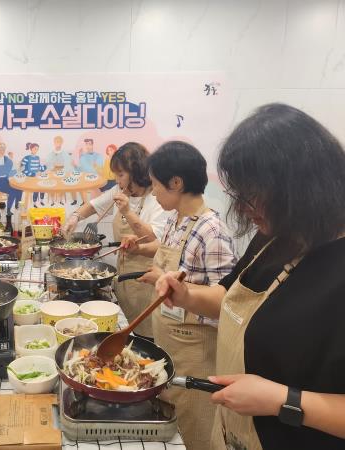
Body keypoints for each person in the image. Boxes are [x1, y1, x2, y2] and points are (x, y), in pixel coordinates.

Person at [155, 104, 345, 450]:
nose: (242, 209)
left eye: (252, 195)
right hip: (234, 436)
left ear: (301, 187)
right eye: (238, 195)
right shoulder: (277, 235)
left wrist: (282, 399)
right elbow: (229, 299)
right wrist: (186, 296)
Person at [125, 141, 236, 450]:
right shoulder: (177, 220)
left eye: (157, 185)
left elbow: (226, 303)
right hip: (169, 340)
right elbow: (167, 264)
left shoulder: (211, 230)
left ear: (176, 183)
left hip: (196, 352)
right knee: (173, 429)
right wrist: (157, 276)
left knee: (196, 432)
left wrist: (173, 285)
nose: (154, 192)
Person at [62, 142, 167, 337]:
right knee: (124, 329)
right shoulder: (122, 191)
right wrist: (75, 217)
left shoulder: (157, 197)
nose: (117, 180)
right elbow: (93, 206)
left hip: (148, 278)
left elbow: (155, 239)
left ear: (136, 172)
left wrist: (127, 211)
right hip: (124, 273)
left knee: (145, 335)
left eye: (121, 175)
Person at [47, 135, 77, 206]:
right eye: (56, 142)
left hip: (63, 171)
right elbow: (49, 163)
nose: (58, 143)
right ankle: (52, 201)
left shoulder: (65, 153)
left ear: (62, 143)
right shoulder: (51, 153)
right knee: (52, 184)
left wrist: (64, 170)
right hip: (53, 171)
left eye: (59, 142)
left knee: (62, 183)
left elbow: (68, 163)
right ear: (54, 143)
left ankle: (61, 200)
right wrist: (52, 169)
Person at [21, 142, 46, 207]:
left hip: (36, 177)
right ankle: (34, 203)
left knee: (43, 187)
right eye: (35, 149)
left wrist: (44, 167)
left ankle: (41, 200)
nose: (36, 150)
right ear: (31, 149)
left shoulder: (37, 157)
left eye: (37, 149)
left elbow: (39, 167)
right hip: (29, 178)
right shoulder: (27, 157)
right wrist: (32, 174)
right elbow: (22, 169)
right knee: (36, 188)